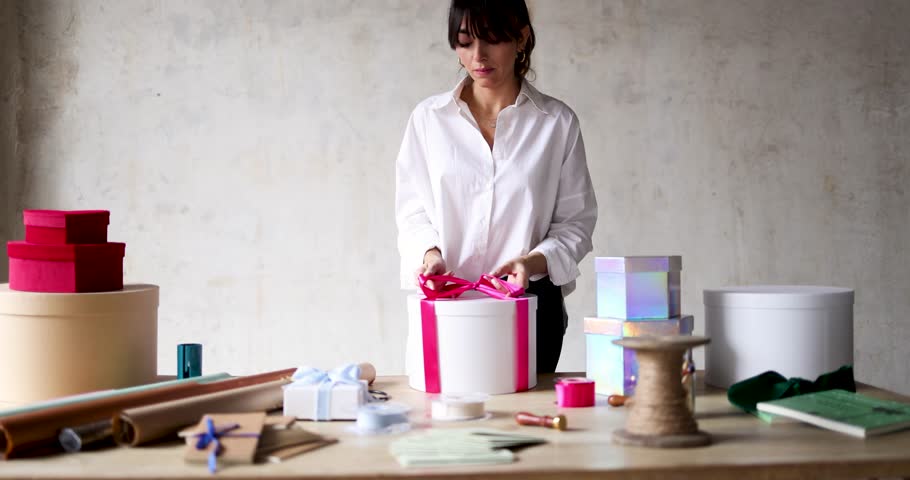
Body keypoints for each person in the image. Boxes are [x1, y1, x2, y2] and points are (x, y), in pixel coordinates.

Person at [395, 0, 597, 373]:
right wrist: (429, 255)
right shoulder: (428, 120)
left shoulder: (556, 123)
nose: (478, 56)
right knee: (443, 423)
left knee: (524, 424)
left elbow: (575, 223)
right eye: (464, 42)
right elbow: (412, 212)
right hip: (447, 313)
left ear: (521, 38)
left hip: (530, 312)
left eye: (492, 40)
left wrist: (532, 261)